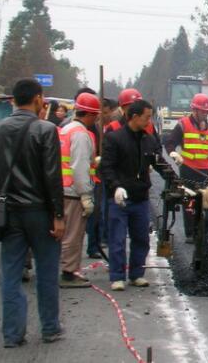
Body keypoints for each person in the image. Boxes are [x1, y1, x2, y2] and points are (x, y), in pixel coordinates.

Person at [0, 78, 65, 346]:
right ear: (38, 98)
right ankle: (50, 328)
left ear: (13, 101)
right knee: (47, 272)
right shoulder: (45, 130)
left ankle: (12, 334)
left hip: (8, 212)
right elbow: (52, 176)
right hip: (40, 212)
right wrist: (59, 215)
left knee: (11, 274)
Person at [101, 99, 166, 291]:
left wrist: (176, 180)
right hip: (120, 198)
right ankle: (117, 276)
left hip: (140, 197)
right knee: (118, 238)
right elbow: (106, 167)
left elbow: (158, 163)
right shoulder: (115, 138)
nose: (149, 121)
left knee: (141, 238)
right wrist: (115, 187)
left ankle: (136, 274)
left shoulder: (148, 140)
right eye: (147, 117)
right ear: (135, 116)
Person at [57, 93, 101, 288]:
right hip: (73, 192)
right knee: (73, 234)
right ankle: (69, 273)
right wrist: (86, 194)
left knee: (64, 233)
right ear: (91, 115)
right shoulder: (81, 135)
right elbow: (79, 166)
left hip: (62, 188)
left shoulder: (65, 129)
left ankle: (65, 268)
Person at [164, 93, 208, 241]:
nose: (204, 114)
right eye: (202, 111)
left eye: (206, 111)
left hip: (205, 171)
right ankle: (190, 233)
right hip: (188, 169)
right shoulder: (183, 125)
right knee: (189, 201)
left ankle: (201, 231)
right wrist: (173, 153)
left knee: (204, 202)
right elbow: (169, 143)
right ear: (194, 110)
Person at [86, 97, 117, 259]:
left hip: (104, 175)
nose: (105, 115)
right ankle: (93, 246)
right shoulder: (93, 129)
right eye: (102, 112)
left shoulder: (108, 128)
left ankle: (100, 240)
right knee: (95, 213)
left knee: (103, 211)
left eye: (107, 112)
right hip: (94, 177)